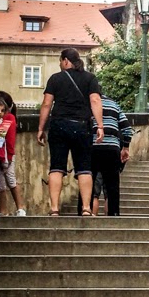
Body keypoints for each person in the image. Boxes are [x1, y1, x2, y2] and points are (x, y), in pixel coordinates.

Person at [37, 48, 103, 216]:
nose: (60, 64)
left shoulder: (55, 78)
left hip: (59, 126)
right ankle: (86, 208)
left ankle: (54, 209)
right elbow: (95, 100)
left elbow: (46, 104)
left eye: (60, 61)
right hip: (82, 126)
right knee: (84, 168)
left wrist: (41, 128)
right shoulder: (90, 78)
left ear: (66, 60)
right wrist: (100, 126)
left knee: (56, 167)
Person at [88, 93, 133, 217]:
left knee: (88, 183)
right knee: (112, 186)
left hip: (92, 148)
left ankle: (85, 211)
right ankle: (114, 215)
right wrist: (125, 147)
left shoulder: (87, 104)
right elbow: (127, 129)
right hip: (112, 149)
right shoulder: (114, 104)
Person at [0, 91, 26, 217]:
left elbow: (9, 140)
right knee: (0, 183)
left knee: (10, 181)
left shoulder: (8, 118)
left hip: (6, 155)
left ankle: (20, 208)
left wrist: (8, 157)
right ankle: (3, 210)